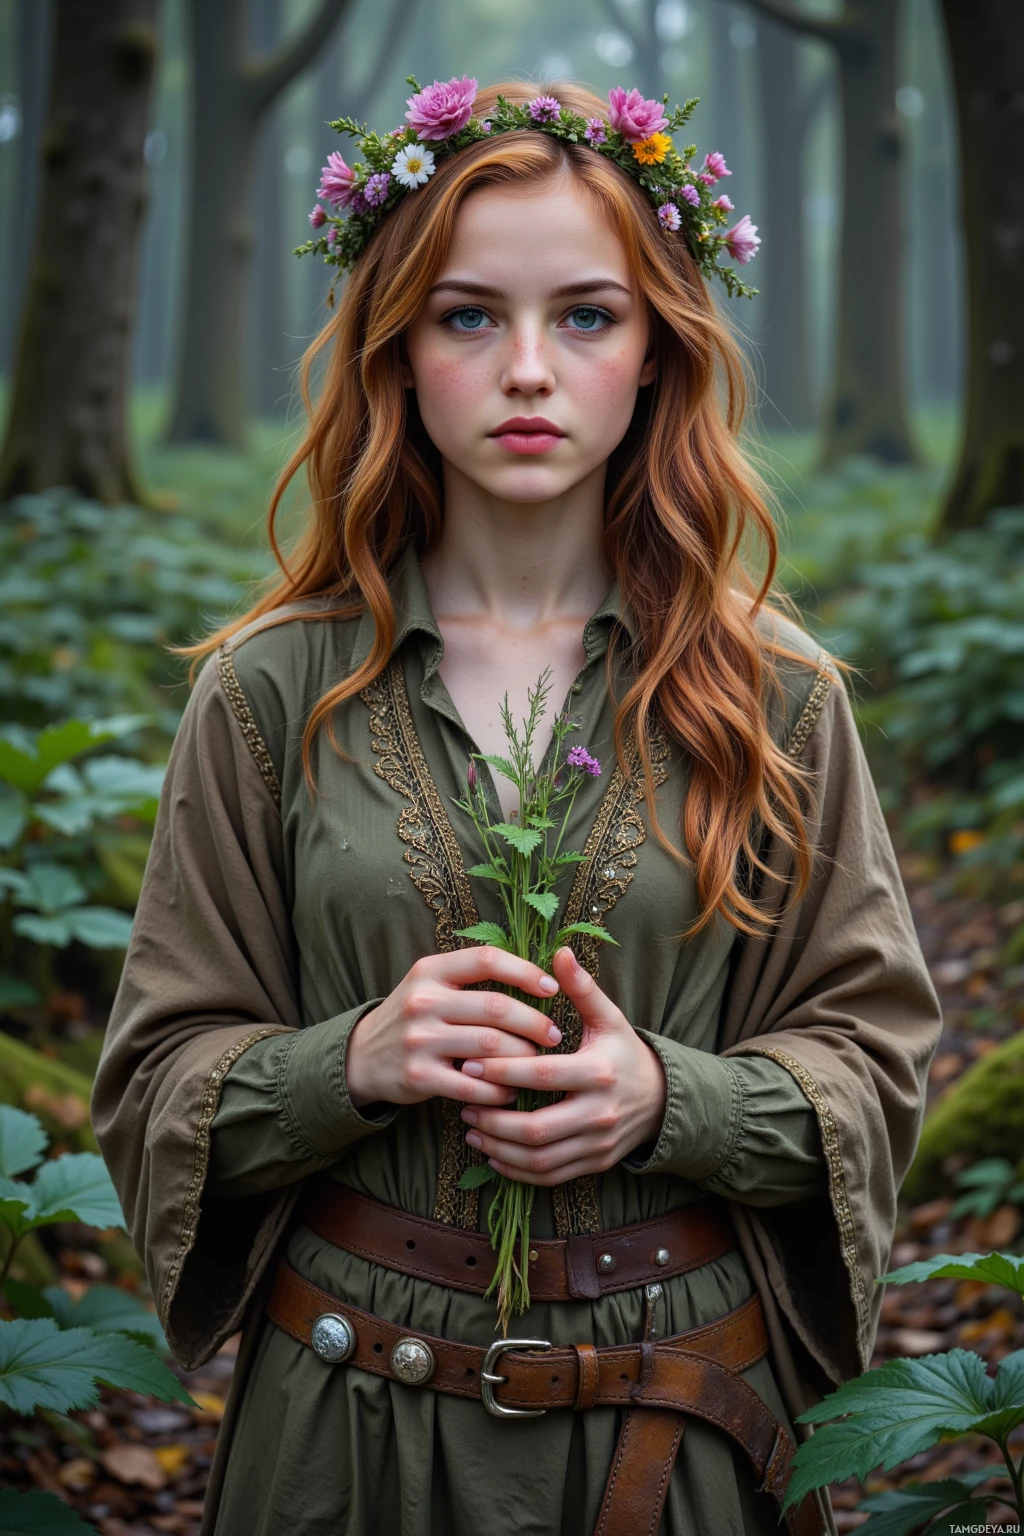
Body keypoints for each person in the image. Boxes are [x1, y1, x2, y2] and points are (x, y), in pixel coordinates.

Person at [91, 77, 942, 1536]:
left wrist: (671, 1099)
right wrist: (350, 1061)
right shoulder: (267, 693)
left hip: (676, 1426)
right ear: (398, 349)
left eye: (588, 316)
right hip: (345, 1430)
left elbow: (873, 1063)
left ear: (658, 353)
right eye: (470, 316)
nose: (530, 370)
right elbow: (154, 1084)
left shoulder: (776, 698)